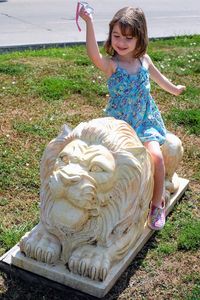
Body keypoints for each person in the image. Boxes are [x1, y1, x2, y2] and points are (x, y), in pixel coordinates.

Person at [79, 5, 186, 230]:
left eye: (129, 37)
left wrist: (174, 89)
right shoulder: (112, 65)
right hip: (119, 123)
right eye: (117, 35)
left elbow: (159, 78)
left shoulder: (143, 61)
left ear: (140, 38)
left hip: (144, 121)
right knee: (106, 161)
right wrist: (88, 22)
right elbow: (93, 54)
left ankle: (156, 205)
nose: (121, 42)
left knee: (155, 157)